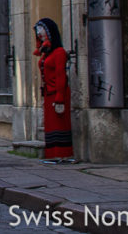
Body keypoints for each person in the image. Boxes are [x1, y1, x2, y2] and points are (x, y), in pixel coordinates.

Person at [34, 18, 74, 163]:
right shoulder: (47, 53)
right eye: (38, 32)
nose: (40, 34)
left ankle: (63, 154)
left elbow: (61, 76)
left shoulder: (59, 52)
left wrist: (59, 97)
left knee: (60, 123)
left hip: (58, 93)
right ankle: (52, 153)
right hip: (48, 93)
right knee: (51, 124)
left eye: (42, 31)